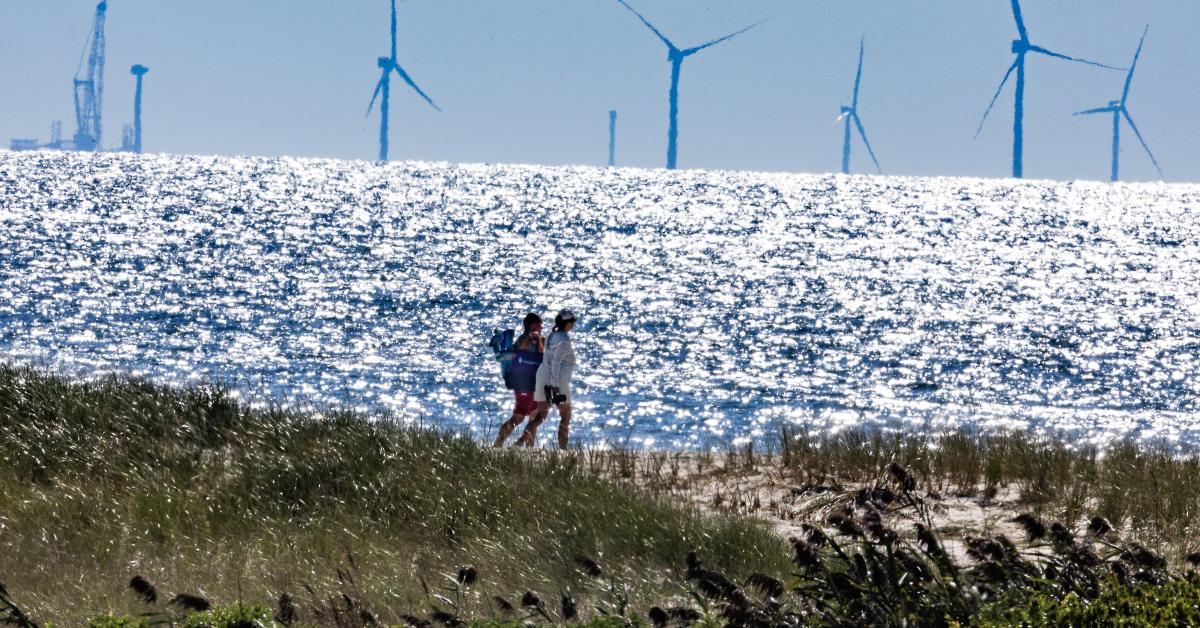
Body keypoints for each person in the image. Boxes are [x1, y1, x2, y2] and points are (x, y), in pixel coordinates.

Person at [517, 309, 577, 449]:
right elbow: (556, 362)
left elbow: (548, 358)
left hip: (542, 375)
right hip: (558, 380)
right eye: (572, 321)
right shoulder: (564, 340)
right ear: (567, 323)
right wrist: (555, 386)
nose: (573, 324)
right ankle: (563, 450)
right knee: (566, 415)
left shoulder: (551, 335)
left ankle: (518, 443)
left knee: (540, 416)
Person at [492, 313, 544, 447]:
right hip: (529, 385)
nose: (542, 327)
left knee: (526, 416)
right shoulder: (527, 339)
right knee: (528, 417)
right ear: (533, 325)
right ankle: (510, 445)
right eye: (540, 324)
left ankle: (526, 448)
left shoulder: (525, 339)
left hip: (523, 385)